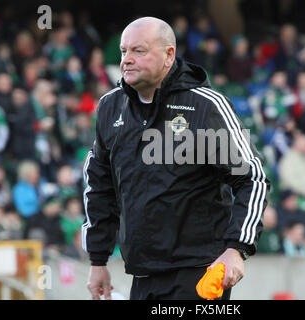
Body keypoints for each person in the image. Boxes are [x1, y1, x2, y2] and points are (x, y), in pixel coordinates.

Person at [83, 17, 269, 300]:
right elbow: (100, 186)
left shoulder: (205, 105)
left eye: (139, 51)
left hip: (199, 273)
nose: (126, 60)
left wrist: (237, 248)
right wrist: (98, 261)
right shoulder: (111, 106)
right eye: (123, 51)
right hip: (142, 275)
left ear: (169, 55)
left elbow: (252, 177)